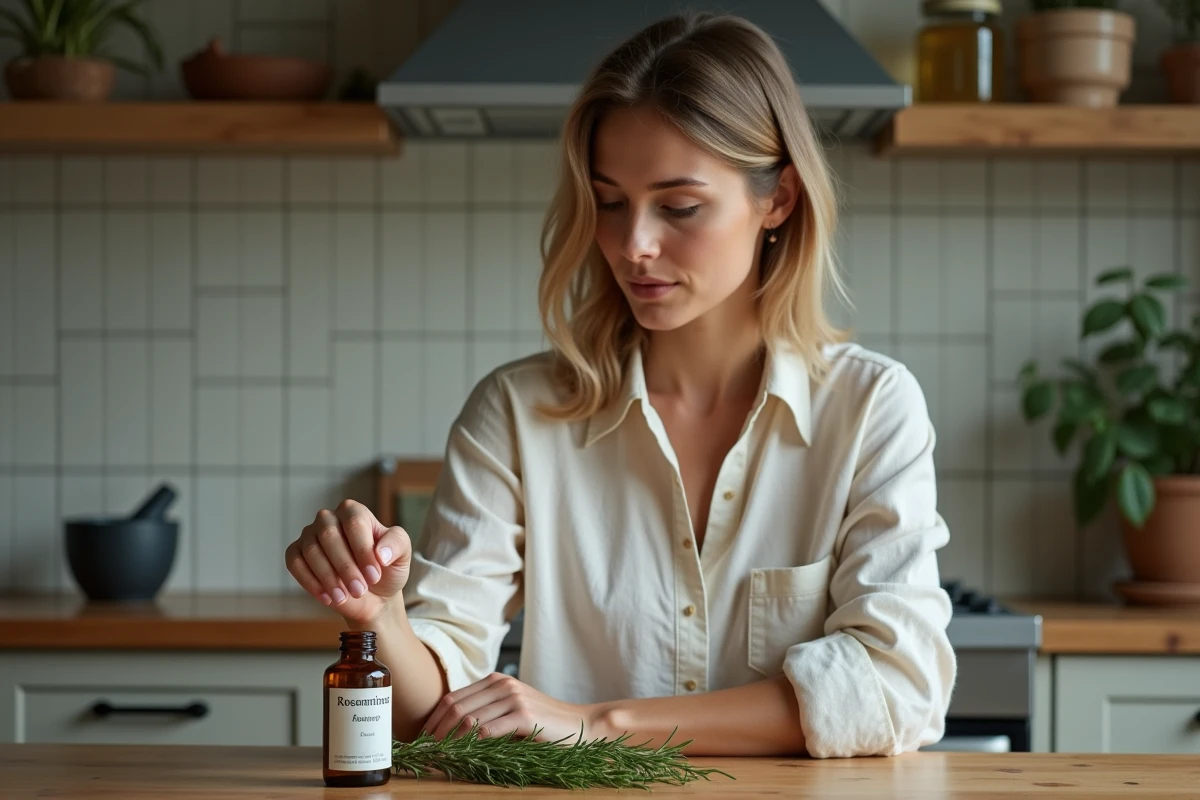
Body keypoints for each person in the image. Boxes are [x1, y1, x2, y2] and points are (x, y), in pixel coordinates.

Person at [285, 11, 955, 759]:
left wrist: (599, 723)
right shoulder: (515, 414)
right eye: (609, 201)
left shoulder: (872, 408)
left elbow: (900, 687)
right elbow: (426, 719)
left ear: (779, 199)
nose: (633, 244)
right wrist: (380, 618)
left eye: (679, 207)